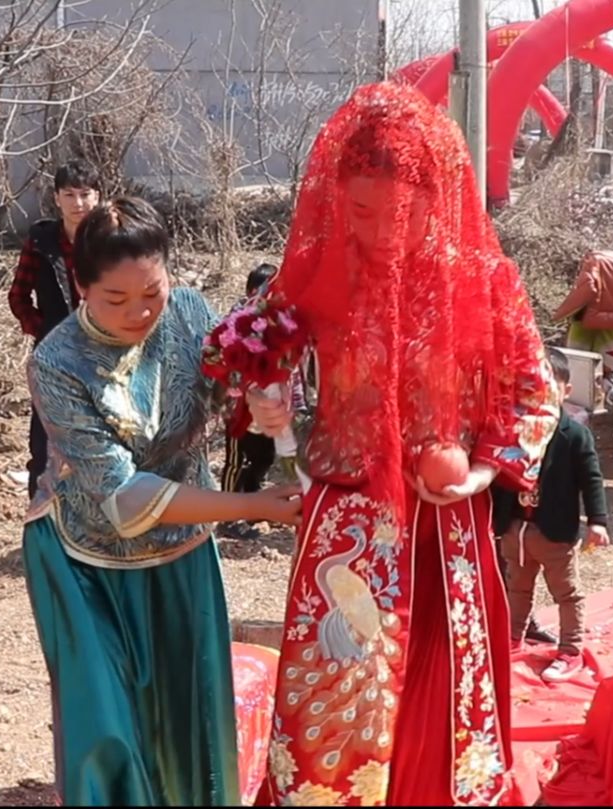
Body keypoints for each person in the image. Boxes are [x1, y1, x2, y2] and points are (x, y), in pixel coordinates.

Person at [247, 82, 559, 806]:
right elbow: (258, 354)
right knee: (339, 678)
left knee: (441, 687)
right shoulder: (320, 272)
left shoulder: (483, 280)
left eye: (401, 211)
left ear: (435, 196)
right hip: (346, 521)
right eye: (362, 210)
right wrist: (268, 400)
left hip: (442, 523)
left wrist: (483, 473)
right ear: (336, 197)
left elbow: (533, 389)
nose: (382, 227)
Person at [22, 196, 302, 805]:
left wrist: (258, 407)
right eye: (115, 300)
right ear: (80, 286)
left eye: (152, 292)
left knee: (189, 715)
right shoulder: (56, 361)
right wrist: (253, 507)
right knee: (108, 727)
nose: (139, 312)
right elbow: (121, 496)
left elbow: (226, 400)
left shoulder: (192, 313)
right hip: (84, 556)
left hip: (181, 545)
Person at [493, 348, 611, 683]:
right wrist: (497, 521)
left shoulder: (575, 435)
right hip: (517, 529)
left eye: (549, 384)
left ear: (566, 391)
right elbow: (500, 476)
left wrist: (598, 522)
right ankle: (513, 639)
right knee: (517, 587)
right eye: (530, 385)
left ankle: (570, 650)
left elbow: (591, 479)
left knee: (566, 592)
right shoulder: (512, 431)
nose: (539, 393)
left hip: (555, 531)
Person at [9, 161, 103, 499]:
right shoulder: (41, 240)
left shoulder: (110, 238)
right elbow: (18, 296)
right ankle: (40, 522)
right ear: (56, 198)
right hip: (53, 356)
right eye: (69, 195)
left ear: (98, 197)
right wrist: (43, 332)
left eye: (85, 194)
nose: (78, 203)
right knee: (44, 441)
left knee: (102, 439)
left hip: (104, 352)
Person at [221, 263, 282, 496]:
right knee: (236, 459)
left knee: (264, 456)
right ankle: (228, 510)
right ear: (250, 292)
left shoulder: (279, 320)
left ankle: (254, 504)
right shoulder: (235, 321)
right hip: (238, 403)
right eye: (263, 289)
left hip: (268, 401)